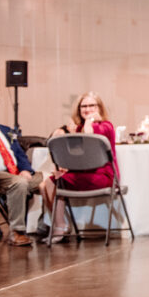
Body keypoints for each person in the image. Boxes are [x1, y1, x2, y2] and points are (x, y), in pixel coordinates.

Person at [40, 92, 119, 244]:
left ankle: (60, 228)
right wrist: (65, 169)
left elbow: (90, 138)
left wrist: (90, 120)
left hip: (102, 176)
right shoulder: (80, 127)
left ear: (99, 108)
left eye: (92, 105)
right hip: (83, 174)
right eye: (84, 106)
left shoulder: (105, 126)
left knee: (51, 184)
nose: (88, 109)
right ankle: (60, 225)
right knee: (45, 185)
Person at [0, 91, 41, 246]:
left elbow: (20, 154)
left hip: (13, 173)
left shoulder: (7, 131)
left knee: (50, 179)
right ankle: (17, 232)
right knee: (19, 183)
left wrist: (25, 169)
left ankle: (47, 226)